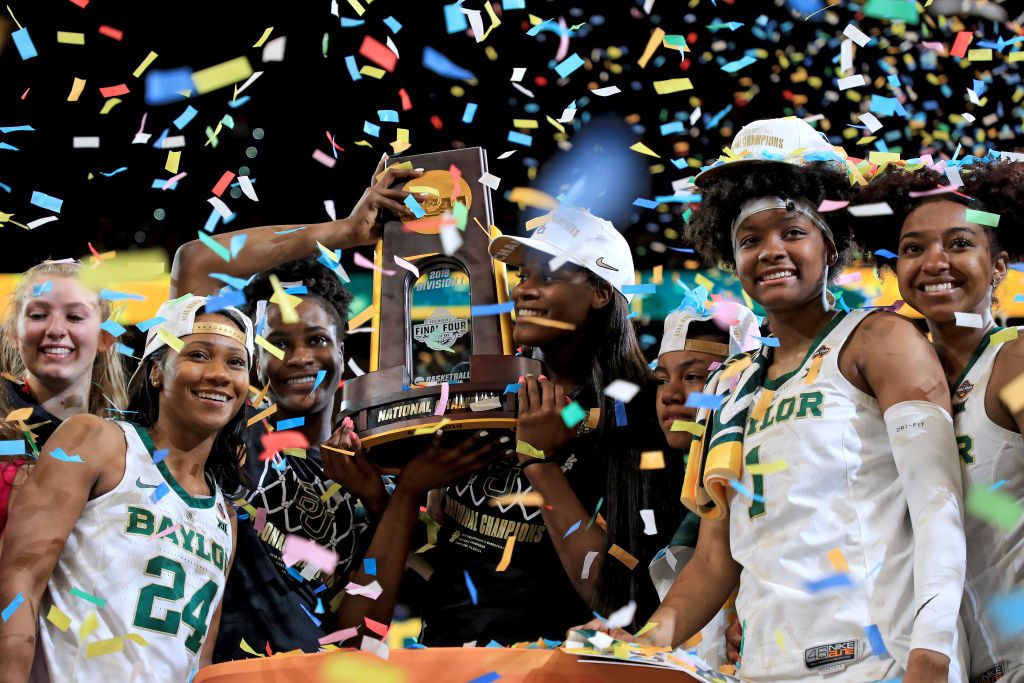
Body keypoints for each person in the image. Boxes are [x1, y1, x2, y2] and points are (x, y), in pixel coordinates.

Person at [578, 117, 968, 682]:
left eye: (792, 231)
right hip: (764, 669)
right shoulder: (729, 387)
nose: (770, 252)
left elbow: (939, 504)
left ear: (830, 245)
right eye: (749, 239)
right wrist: (645, 639)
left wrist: (933, 648)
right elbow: (715, 557)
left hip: (880, 663)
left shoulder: (880, 341)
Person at [212, 258, 502, 658]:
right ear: (253, 357)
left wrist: (395, 498)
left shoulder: (374, 474)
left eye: (316, 339)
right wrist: (348, 229)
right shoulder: (229, 433)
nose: (299, 357)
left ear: (341, 349)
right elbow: (192, 262)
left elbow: (358, 637)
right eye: (278, 343)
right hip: (225, 671)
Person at [418, 207, 683, 645]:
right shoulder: (489, 388)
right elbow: (444, 525)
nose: (524, 290)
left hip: (548, 666)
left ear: (600, 292)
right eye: (523, 275)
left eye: (547, 276)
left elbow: (619, 600)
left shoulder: (636, 414)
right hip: (441, 654)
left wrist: (542, 465)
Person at [0, 295, 251, 681]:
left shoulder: (225, 518)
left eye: (236, 362)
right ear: (156, 371)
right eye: (198, 355)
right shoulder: (96, 441)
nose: (220, 374)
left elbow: (199, 662)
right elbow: (18, 582)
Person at [854, 159, 1024, 683]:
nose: (934, 261)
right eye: (913, 248)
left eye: (958, 243)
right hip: (944, 661)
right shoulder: (888, 383)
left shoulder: (1013, 364)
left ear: (997, 264)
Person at [648, 291, 759, 669]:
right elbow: (710, 564)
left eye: (694, 377)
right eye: (662, 379)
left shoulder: (762, 464)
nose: (670, 394)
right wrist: (637, 646)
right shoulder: (673, 477)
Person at [0, 260, 129, 539]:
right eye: (37, 315)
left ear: (105, 336)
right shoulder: (3, 439)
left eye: (74, 317)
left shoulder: (132, 444)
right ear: (12, 332)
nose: (56, 329)